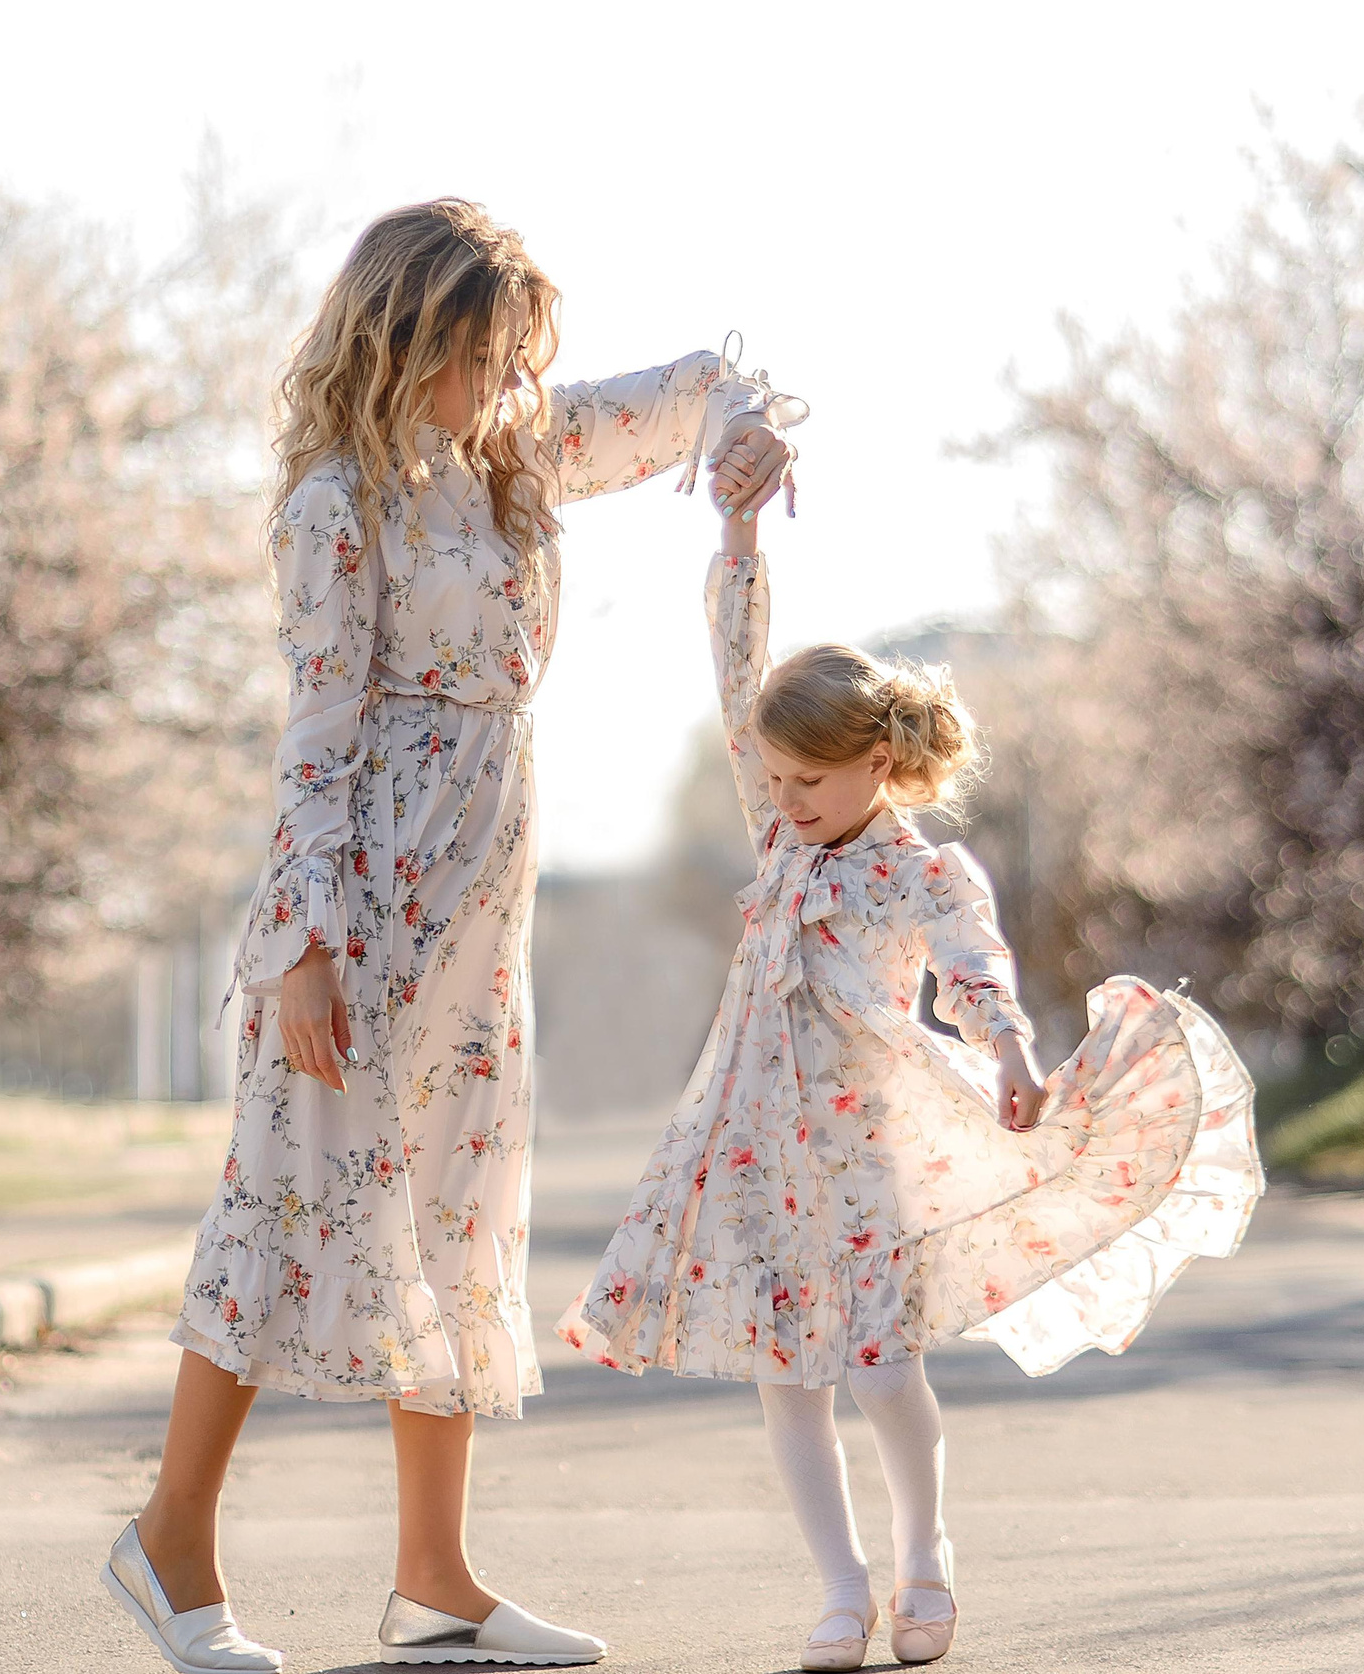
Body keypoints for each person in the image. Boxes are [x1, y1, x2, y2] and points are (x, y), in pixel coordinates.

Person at [101, 198, 805, 1673]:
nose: (501, 382)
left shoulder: (515, 464)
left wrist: (744, 429)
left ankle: (437, 1576)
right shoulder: (331, 510)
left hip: (483, 905)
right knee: (278, 1204)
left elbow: (687, 396)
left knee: (459, 1211)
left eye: (513, 355)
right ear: (397, 337)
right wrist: (300, 939)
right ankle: (171, 1540)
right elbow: (317, 735)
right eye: (474, 354)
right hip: (356, 911)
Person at [558, 451, 1265, 1669]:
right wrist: (735, 544)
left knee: (881, 1371)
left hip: (867, 1156)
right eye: (771, 779)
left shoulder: (916, 867)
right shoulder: (781, 830)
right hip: (750, 1151)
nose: (783, 799)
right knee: (787, 1379)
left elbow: (972, 963)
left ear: (874, 765)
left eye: (808, 779)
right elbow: (739, 677)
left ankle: (923, 1557)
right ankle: (839, 1589)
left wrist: (1006, 1051)